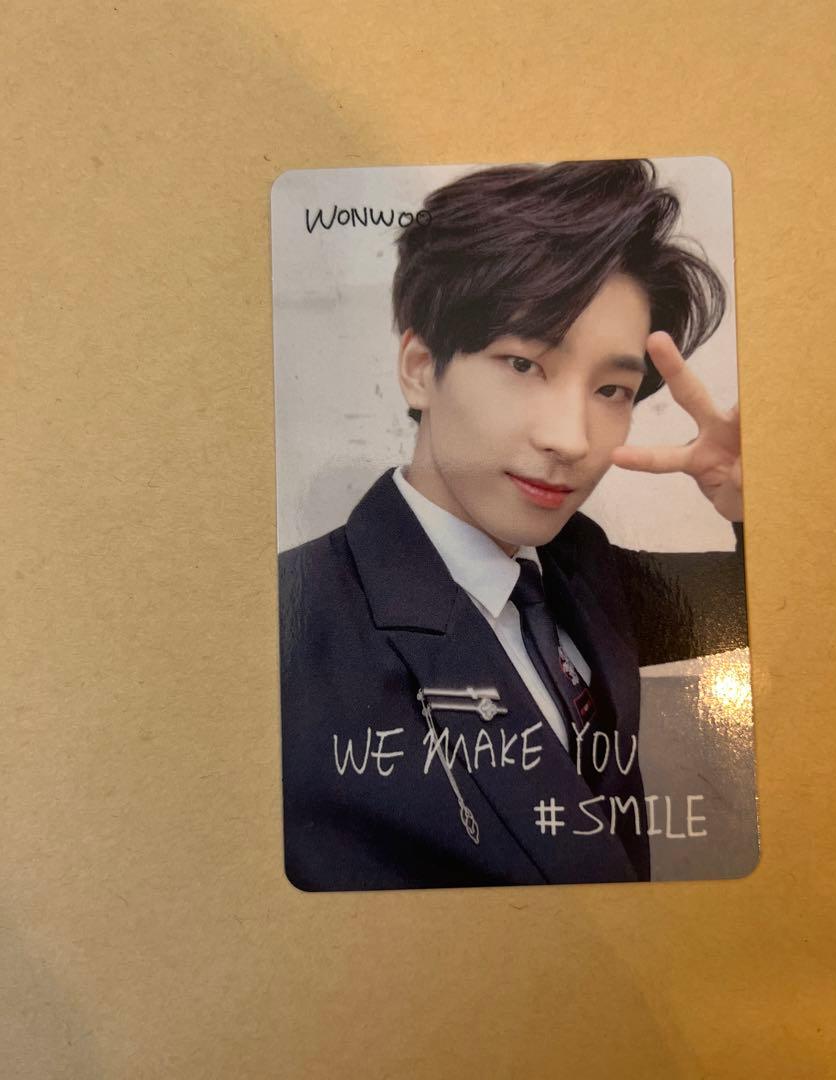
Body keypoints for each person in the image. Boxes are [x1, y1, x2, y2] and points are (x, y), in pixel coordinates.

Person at [279, 159, 747, 891]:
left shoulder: (581, 570)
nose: (570, 438)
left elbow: (759, 604)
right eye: (524, 364)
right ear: (421, 367)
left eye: (612, 389)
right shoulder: (291, 626)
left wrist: (758, 507)